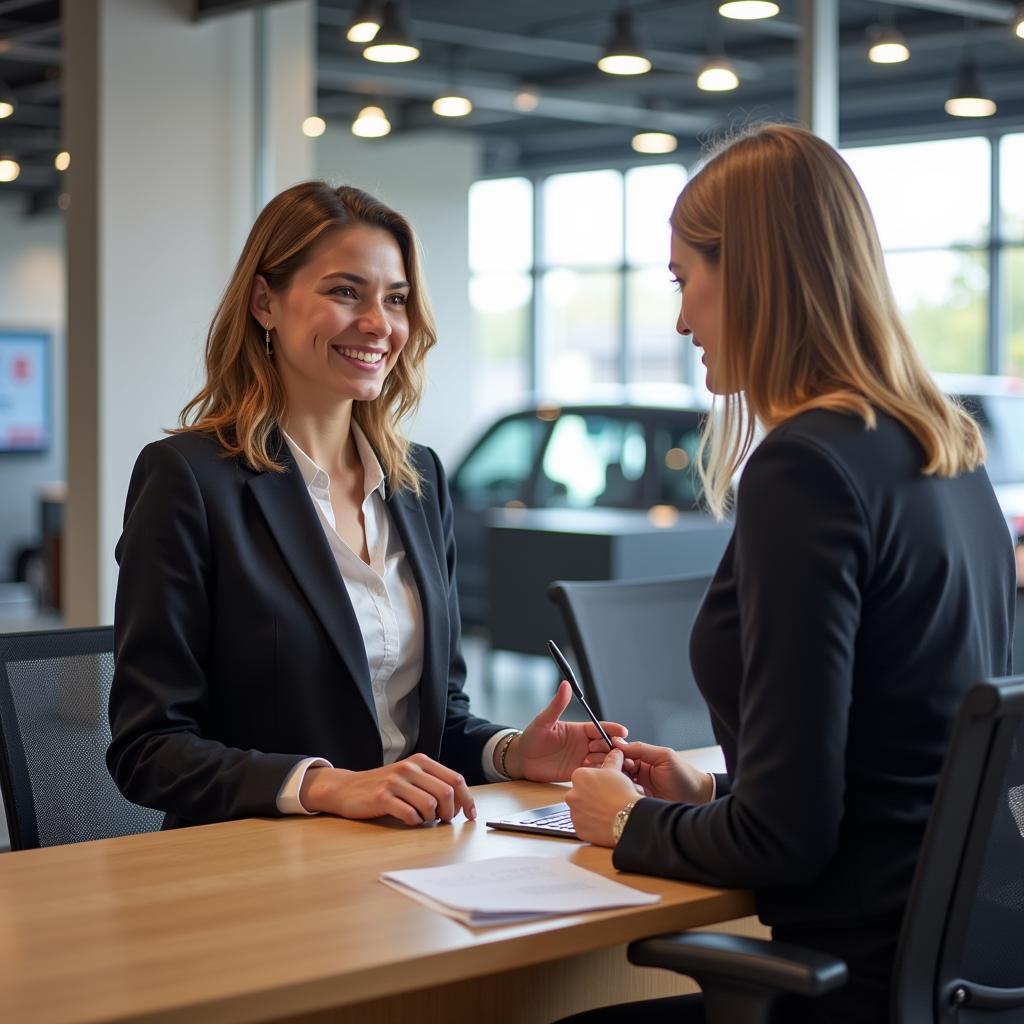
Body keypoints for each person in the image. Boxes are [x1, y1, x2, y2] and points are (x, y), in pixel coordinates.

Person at [564, 124, 1016, 1023]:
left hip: (858, 983)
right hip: (970, 977)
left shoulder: (805, 470)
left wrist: (628, 821)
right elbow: (897, 763)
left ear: (755, 273)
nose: (682, 320)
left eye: (685, 279)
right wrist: (714, 795)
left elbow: (786, 842)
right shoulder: (945, 457)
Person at [107, 181, 624, 830]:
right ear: (266, 301)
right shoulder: (189, 479)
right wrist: (326, 786)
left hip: (403, 858)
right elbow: (147, 749)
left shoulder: (419, 482)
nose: (380, 323)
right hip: (258, 870)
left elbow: (435, 717)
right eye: (345, 292)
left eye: (396, 299)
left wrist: (513, 752)